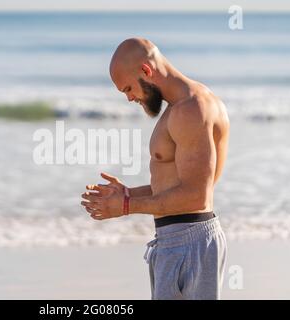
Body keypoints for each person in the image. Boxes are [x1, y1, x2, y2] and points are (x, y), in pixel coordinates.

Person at [81, 38, 230, 300]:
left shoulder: (190, 110)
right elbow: (184, 185)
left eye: (128, 88)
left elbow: (197, 196)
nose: (129, 98)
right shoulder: (189, 105)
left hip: (187, 242)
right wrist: (129, 195)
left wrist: (126, 207)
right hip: (184, 240)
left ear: (146, 71)